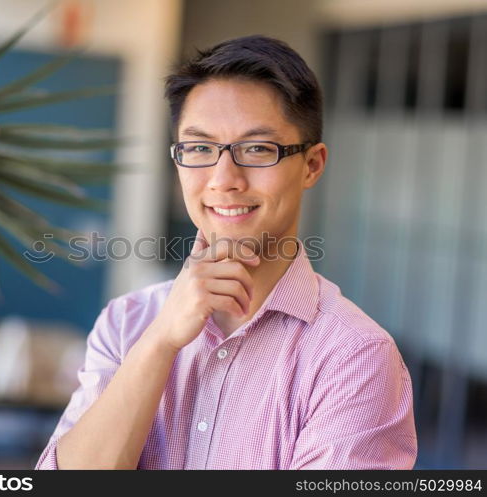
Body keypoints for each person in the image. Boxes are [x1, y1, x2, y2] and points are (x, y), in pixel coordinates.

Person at [35, 35, 417, 470]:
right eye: (199, 148)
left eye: (256, 149)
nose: (223, 179)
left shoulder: (354, 357)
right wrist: (159, 342)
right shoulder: (128, 323)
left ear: (312, 164)